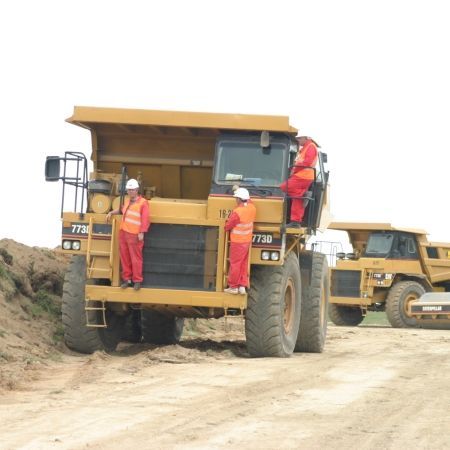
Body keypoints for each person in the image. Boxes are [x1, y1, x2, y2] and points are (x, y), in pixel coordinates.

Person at [106, 178, 150, 290]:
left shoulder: (143, 203)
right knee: (125, 257)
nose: (130, 192)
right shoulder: (127, 201)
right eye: (129, 190)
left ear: (137, 190)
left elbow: (145, 219)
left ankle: (137, 281)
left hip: (135, 235)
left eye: (132, 190)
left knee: (135, 259)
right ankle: (127, 280)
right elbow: (121, 210)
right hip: (124, 233)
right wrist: (111, 212)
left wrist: (142, 232)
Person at [280, 136, 319, 227]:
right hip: (302, 175)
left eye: (299, 138)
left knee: (284, 186)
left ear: (306, 138)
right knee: (297, 198)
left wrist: (294, 170)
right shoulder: (305, 148)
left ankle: (304, 195)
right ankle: (295, 221)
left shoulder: (311, 146)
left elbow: (306, 162)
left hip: (303, 176)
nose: (298, 140)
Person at [224, 187, 257, 295]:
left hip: (237, 242)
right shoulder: (252, 208)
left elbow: (227, 226)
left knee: (235, 264)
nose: (235, 200)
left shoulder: (237, 212)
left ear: (238, 199)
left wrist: (225, 226)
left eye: (236, 198)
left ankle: (233, 287)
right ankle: (242, 286)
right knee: (243, 263)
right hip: (247, 242)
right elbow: (249, 201)